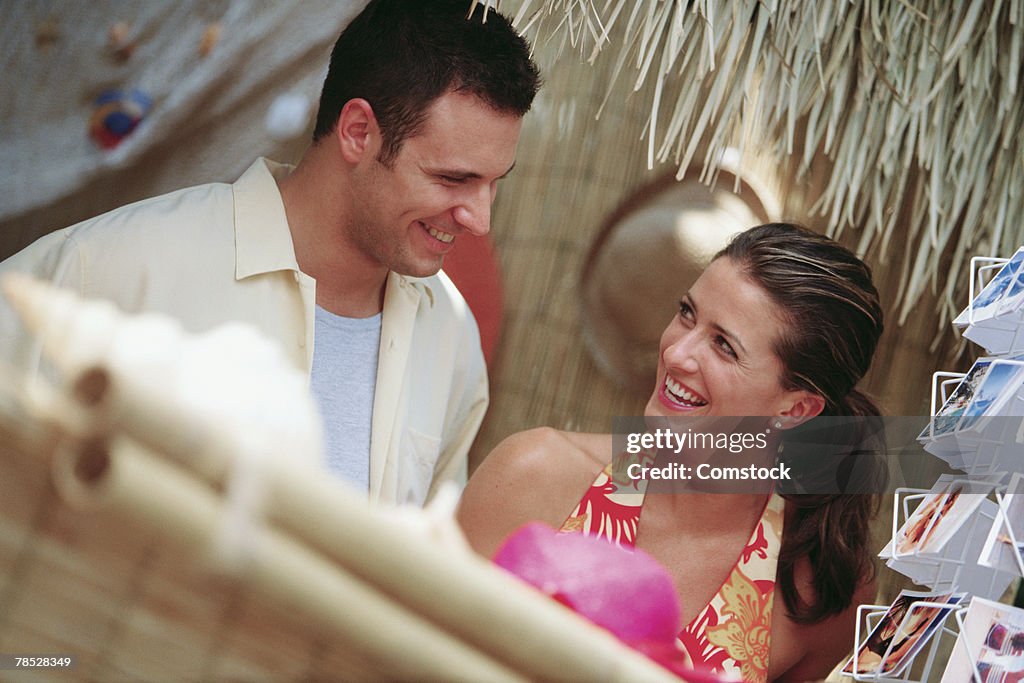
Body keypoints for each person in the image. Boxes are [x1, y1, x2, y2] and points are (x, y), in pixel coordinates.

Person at [0, 0, 540, 506]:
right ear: (358, 132)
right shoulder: (113, 266)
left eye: (494, 183)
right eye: (452, 178)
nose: (479, 218)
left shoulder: (451, 335)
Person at [458, 223, 886, 682]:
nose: (677, 353)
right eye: (687, 313)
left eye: (724, 346)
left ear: (796, 408)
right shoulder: (536, 472)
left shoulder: (818, 588)